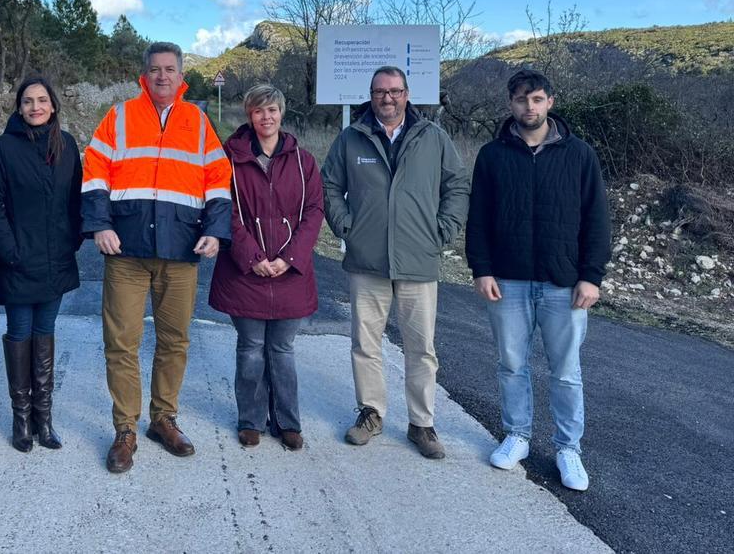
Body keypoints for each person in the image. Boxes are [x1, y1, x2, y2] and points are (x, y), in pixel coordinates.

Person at [82, 42, 232, 473]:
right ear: (143, 74)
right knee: (121, 343)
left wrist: (215, 232)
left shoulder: (198, 121)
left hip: (182, 250)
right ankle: (125, 428)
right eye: (155, 69)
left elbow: (219, 180)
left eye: (169, 69)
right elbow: (95, 171)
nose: (162, 76)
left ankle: (163, 418)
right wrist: (99, 224)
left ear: (181, 74)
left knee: (174, 341)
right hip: (126, 250)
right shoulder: (120, 116)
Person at [466, 69, 610, 491]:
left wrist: (590, 276)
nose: (529, 107)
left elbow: (597, 220)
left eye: (537, 99)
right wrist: (481, 268)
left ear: (550, 102)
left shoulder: (579, 154)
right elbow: (478, 220)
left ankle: (568, 449)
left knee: (565, 370)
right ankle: (518, 435)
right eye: (520, 100)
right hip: (506, 281)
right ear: (510, 104)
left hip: (563, 282)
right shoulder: (492, 156)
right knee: (512, 364)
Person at [322, 66, 469, 459]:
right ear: (370, 96)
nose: (387, 98)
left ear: (407, 94)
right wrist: (345, 225)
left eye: (395, 91)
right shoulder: (351, 138)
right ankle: (371, 414)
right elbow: (330, 185)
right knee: (365, 343)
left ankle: (422, 423)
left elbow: (456, 185)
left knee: (421, 347)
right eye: (379, 92)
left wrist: (444, 230)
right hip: (366, 259)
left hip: (419, 258)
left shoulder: (433, 138)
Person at [208, 85, 324, 450]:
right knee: (251, 348)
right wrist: (254, 258)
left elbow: (314, 212)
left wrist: (288, 259)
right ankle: (251, 420)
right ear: (249, 115)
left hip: (290, 272)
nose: (266, 117)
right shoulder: (228, 158)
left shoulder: (304, 161)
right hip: (246, 272)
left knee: (283, 350)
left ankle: (288, 422)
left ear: (282, 113)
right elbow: (223, 209)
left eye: (272, 110)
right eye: (258, 111)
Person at [0, 76, 83, 453]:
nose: (36, 107)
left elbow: (77, 197)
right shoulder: (3, 149)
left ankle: (45, 418)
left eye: (42, 100)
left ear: (53, 105)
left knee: (45, 332)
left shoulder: (68, 146)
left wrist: (73, 239)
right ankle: (21, 418)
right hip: (17, 260)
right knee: (20, 332)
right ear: (19, 107)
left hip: (56, 260)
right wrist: (9, 250)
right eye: (28, 101)